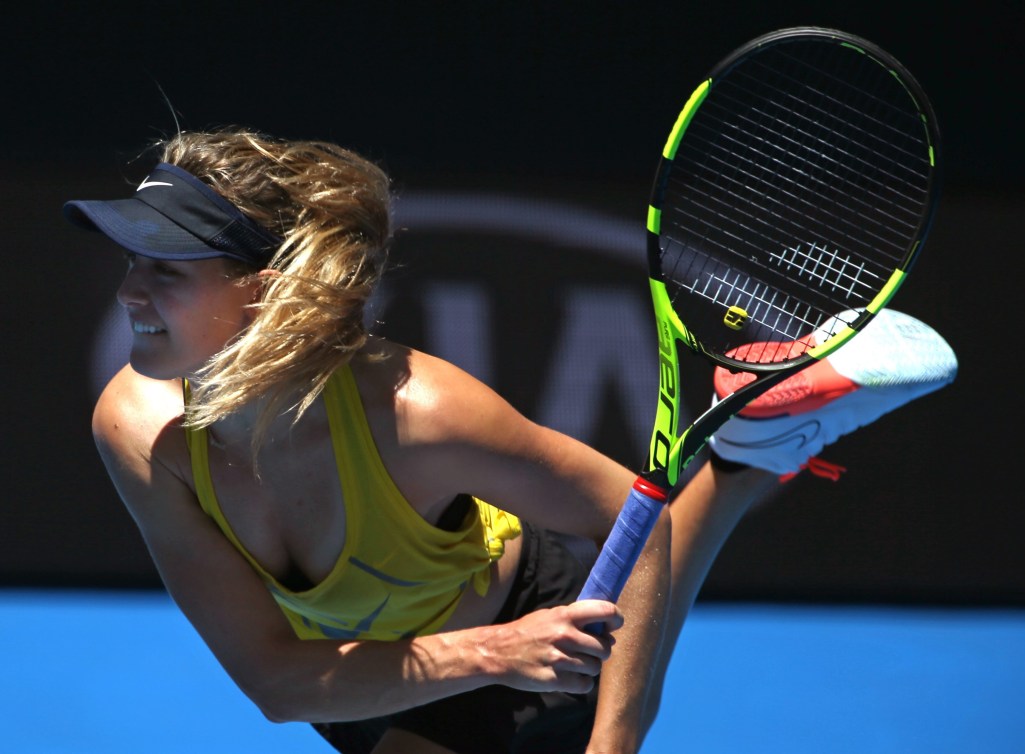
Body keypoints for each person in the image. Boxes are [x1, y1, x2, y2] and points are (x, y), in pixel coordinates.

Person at [64, 128, 957, 754]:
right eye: (132, 263)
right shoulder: (138, 427)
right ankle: (750, 444)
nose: (129, 295)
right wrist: (490, 654)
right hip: (391, 678)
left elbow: (639, 532)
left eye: (166, 272)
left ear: (268, 291)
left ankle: (737, 460)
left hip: (519, 638)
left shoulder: (424, 416)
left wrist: (613, 737)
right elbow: (275, 684)